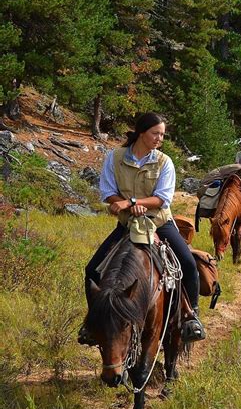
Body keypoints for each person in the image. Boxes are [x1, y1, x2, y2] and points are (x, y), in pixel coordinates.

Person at [79, 112, 204, 344]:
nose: (160, 139)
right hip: (127, 224)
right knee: (92, 271)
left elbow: (162, 199)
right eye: (156, 133)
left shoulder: (164, 162)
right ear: (141, 132)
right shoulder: (114, 158)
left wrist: (132, 202)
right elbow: (108, 192)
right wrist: (120, 204)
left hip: (159, 223)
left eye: (162, 135)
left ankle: (191, 316)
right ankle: (95, 322)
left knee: (187, 263)